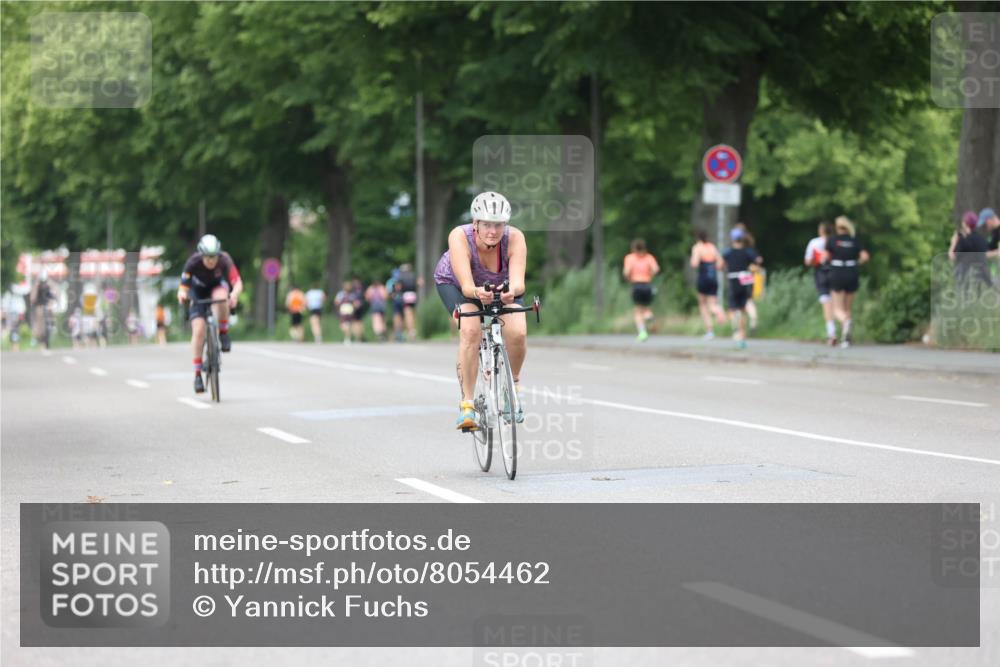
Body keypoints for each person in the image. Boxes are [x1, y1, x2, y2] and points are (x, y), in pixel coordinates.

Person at [433, 191, 528, 430]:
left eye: (498, 225)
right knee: (470, 331)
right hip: (458, 285)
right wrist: (476, 293)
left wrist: (509, 292)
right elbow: (466, 285)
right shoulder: (459, 236)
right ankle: (467, 405)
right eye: (487, 224)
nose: (493, 231)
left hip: (500, 288)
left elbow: (519, 284)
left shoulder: (515, 238)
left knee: (517, 332)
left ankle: (513, 388)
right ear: (475, 223)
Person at [176, 234, 243, 394]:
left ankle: (224, 333)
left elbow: (237, 282)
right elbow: (183, 287)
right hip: (197, 292)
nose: (211, 261)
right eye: (207, 257)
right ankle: (198, 374)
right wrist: (182, 295)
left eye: (213, 257)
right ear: (201, 254)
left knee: (222, 297)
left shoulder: (224, 259)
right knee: (198, 331)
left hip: (216, 288)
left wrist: (234, 294)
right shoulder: (193, 262)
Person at [825, 216, 869, 348]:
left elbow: (825, 257)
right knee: (847, 308)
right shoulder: (854, 240)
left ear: (837, 227)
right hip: (852, 272)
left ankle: (845, 322)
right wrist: (856, 263)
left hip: (837, 272)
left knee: (837, 308)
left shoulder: (832, 240)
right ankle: (846, 338)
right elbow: (865, 257)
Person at [720, 227, 763, 349]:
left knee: (733, 308)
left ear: (732, 239)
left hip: (734, 278)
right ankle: (752, 319)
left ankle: (736, 331)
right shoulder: (748, 251)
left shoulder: (727, 252)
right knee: (746, 305)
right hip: (746, 278)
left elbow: (720, 265)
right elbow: (758, 261)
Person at [805, 222, 837, 345]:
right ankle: (843, 327)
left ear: (821, 231)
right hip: (836, 273)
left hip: (821, 274)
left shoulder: (814, 242)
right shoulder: (835, 241)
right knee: (836, 303)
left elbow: (808, 261)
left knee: (826, 303)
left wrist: (817, 260)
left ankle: (831, 332)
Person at [622, 239, 660, 342]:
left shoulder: (630, 258)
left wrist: (629, 279)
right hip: (647, 285)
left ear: (633, 248)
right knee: (646, 307)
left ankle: (642, 332)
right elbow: (656, 269)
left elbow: (626, 272)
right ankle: (649, 316)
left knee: (638, 310)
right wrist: (650, 275)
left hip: (636, 285)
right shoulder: (649, 257)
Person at [690, 230, 724, 340]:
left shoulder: (697, 247)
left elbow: (694, 264)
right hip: (713, 278)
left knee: (703, 305)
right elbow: (720, 264)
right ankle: (718, 311)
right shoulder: (712, 247)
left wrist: (697, 260)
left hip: (703, 278)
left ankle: (710, 331)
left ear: (698, 238)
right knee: (712, 304)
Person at [950, 211, 992, 292]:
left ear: (965, 223)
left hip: (965, 277)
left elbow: (952, 257)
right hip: (982, 276)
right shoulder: (982, 239)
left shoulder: (964, 240)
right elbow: (987, 255)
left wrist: (953, 242)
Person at [732, 223, 760, 332]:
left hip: (736, 277)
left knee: (736, 303)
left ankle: (736, 327)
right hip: (748, 276)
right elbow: (757, 262)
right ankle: (753, 319)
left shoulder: (737, 249)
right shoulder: (750, 249)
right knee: (748, 300)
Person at [30, 270, 55, 349]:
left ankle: (52, 325)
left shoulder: (48, 285)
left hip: (47, 304)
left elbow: (53, 294)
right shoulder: (37, 285)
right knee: (39, 315)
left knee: (51, 311)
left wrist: (50, 283)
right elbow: (32, 298)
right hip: (39, 304)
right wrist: (36, 285)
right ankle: (36, 336)